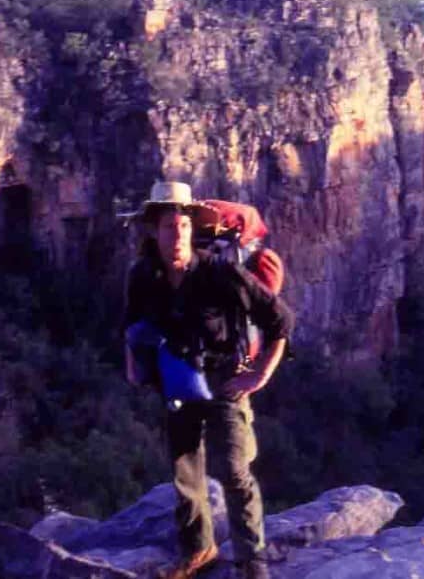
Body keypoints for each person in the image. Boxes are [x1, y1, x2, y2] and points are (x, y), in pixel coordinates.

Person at [122, 182, 295, 578]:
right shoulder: (143, 276)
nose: (177, 234)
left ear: (193, 229)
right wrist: (133, 365)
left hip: (224, 380)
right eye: (169, 226)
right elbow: (131, 324)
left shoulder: (221, 274)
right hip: (176, 380)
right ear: (155, 230)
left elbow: (280, 321)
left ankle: (252, 560)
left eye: (183, 225)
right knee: (184, 469)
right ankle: (198, 550)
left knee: (234, 468)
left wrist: (259, 375)